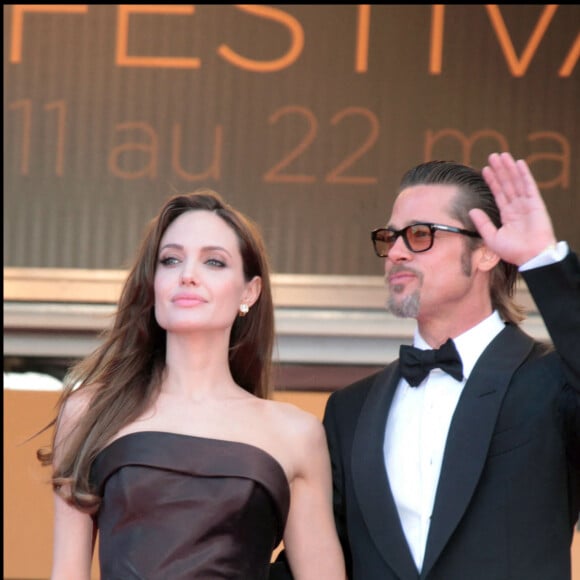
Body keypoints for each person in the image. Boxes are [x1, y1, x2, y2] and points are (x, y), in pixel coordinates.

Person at [272, 152, 580, 579]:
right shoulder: (349, 410)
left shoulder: (552, 381)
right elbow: (315, 558)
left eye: (420, 234)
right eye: (390, 237)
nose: (395, 252)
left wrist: (543, 261)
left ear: (486, 253)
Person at [37, 189, 346, 579]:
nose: (187, 275)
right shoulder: (89, 413)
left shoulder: (295, 434)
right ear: (153, 284)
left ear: (249, 291)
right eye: (171, 260)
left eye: (214, 262)